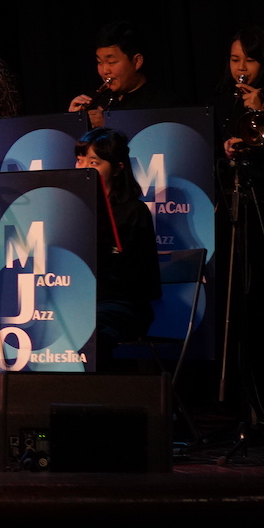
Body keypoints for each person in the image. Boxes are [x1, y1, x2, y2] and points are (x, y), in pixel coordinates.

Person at [75, 127, 163, 361]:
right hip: (76, 301)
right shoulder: (68, 210)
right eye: (79, 159)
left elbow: (146, 283)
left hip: (118, 305)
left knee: (92, 333)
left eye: (94, 162)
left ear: (117, 168)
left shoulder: (133, 212)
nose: (83, 168)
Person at [67, 22, 180, 128]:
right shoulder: (94, 101)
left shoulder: (165, 104)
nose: (104, 70)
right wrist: (75, 121)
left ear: (137, 61)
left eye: (112, 62)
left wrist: (109, 124)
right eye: (100, 62)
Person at [219, 26, 264, 160]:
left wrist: (260, 112)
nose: (241, 67)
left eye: (250, 61)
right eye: (235, 60)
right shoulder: (221, 99)